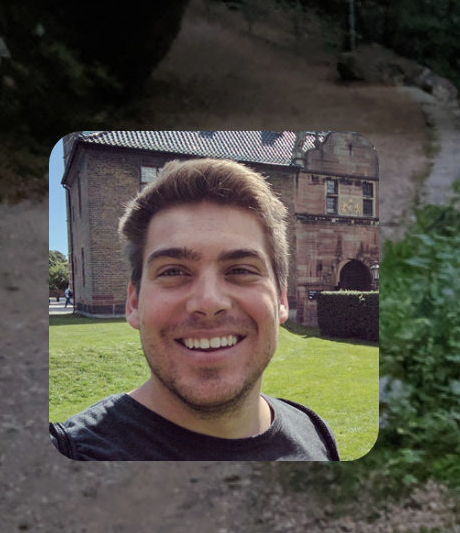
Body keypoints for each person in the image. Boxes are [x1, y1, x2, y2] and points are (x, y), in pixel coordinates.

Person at [50, 158, 339, 460]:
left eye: (241, 270)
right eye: (173, 272)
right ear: (134, 303)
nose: (209, 302)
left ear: (281, 299)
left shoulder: (314, 434)